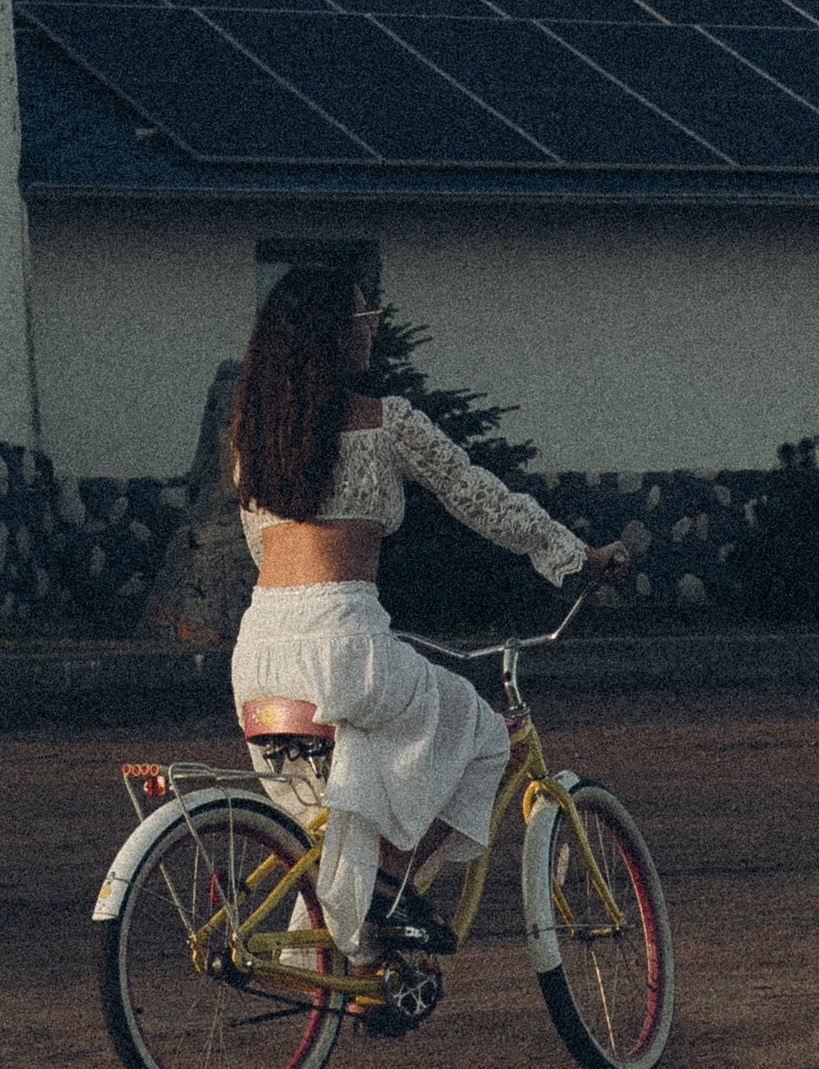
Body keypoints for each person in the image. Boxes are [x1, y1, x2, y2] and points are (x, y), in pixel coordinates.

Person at [227, 266, 624, 970]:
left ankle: (360, 961)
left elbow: (263, 546)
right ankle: (385, 894)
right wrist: (575, 557)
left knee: (330, 819)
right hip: (344, 642)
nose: (372, 325)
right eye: (360, 315)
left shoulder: (255, 443)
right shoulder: (387, 423)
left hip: (258, 650)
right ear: (332, 334)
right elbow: (484, 500)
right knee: (481, 735)